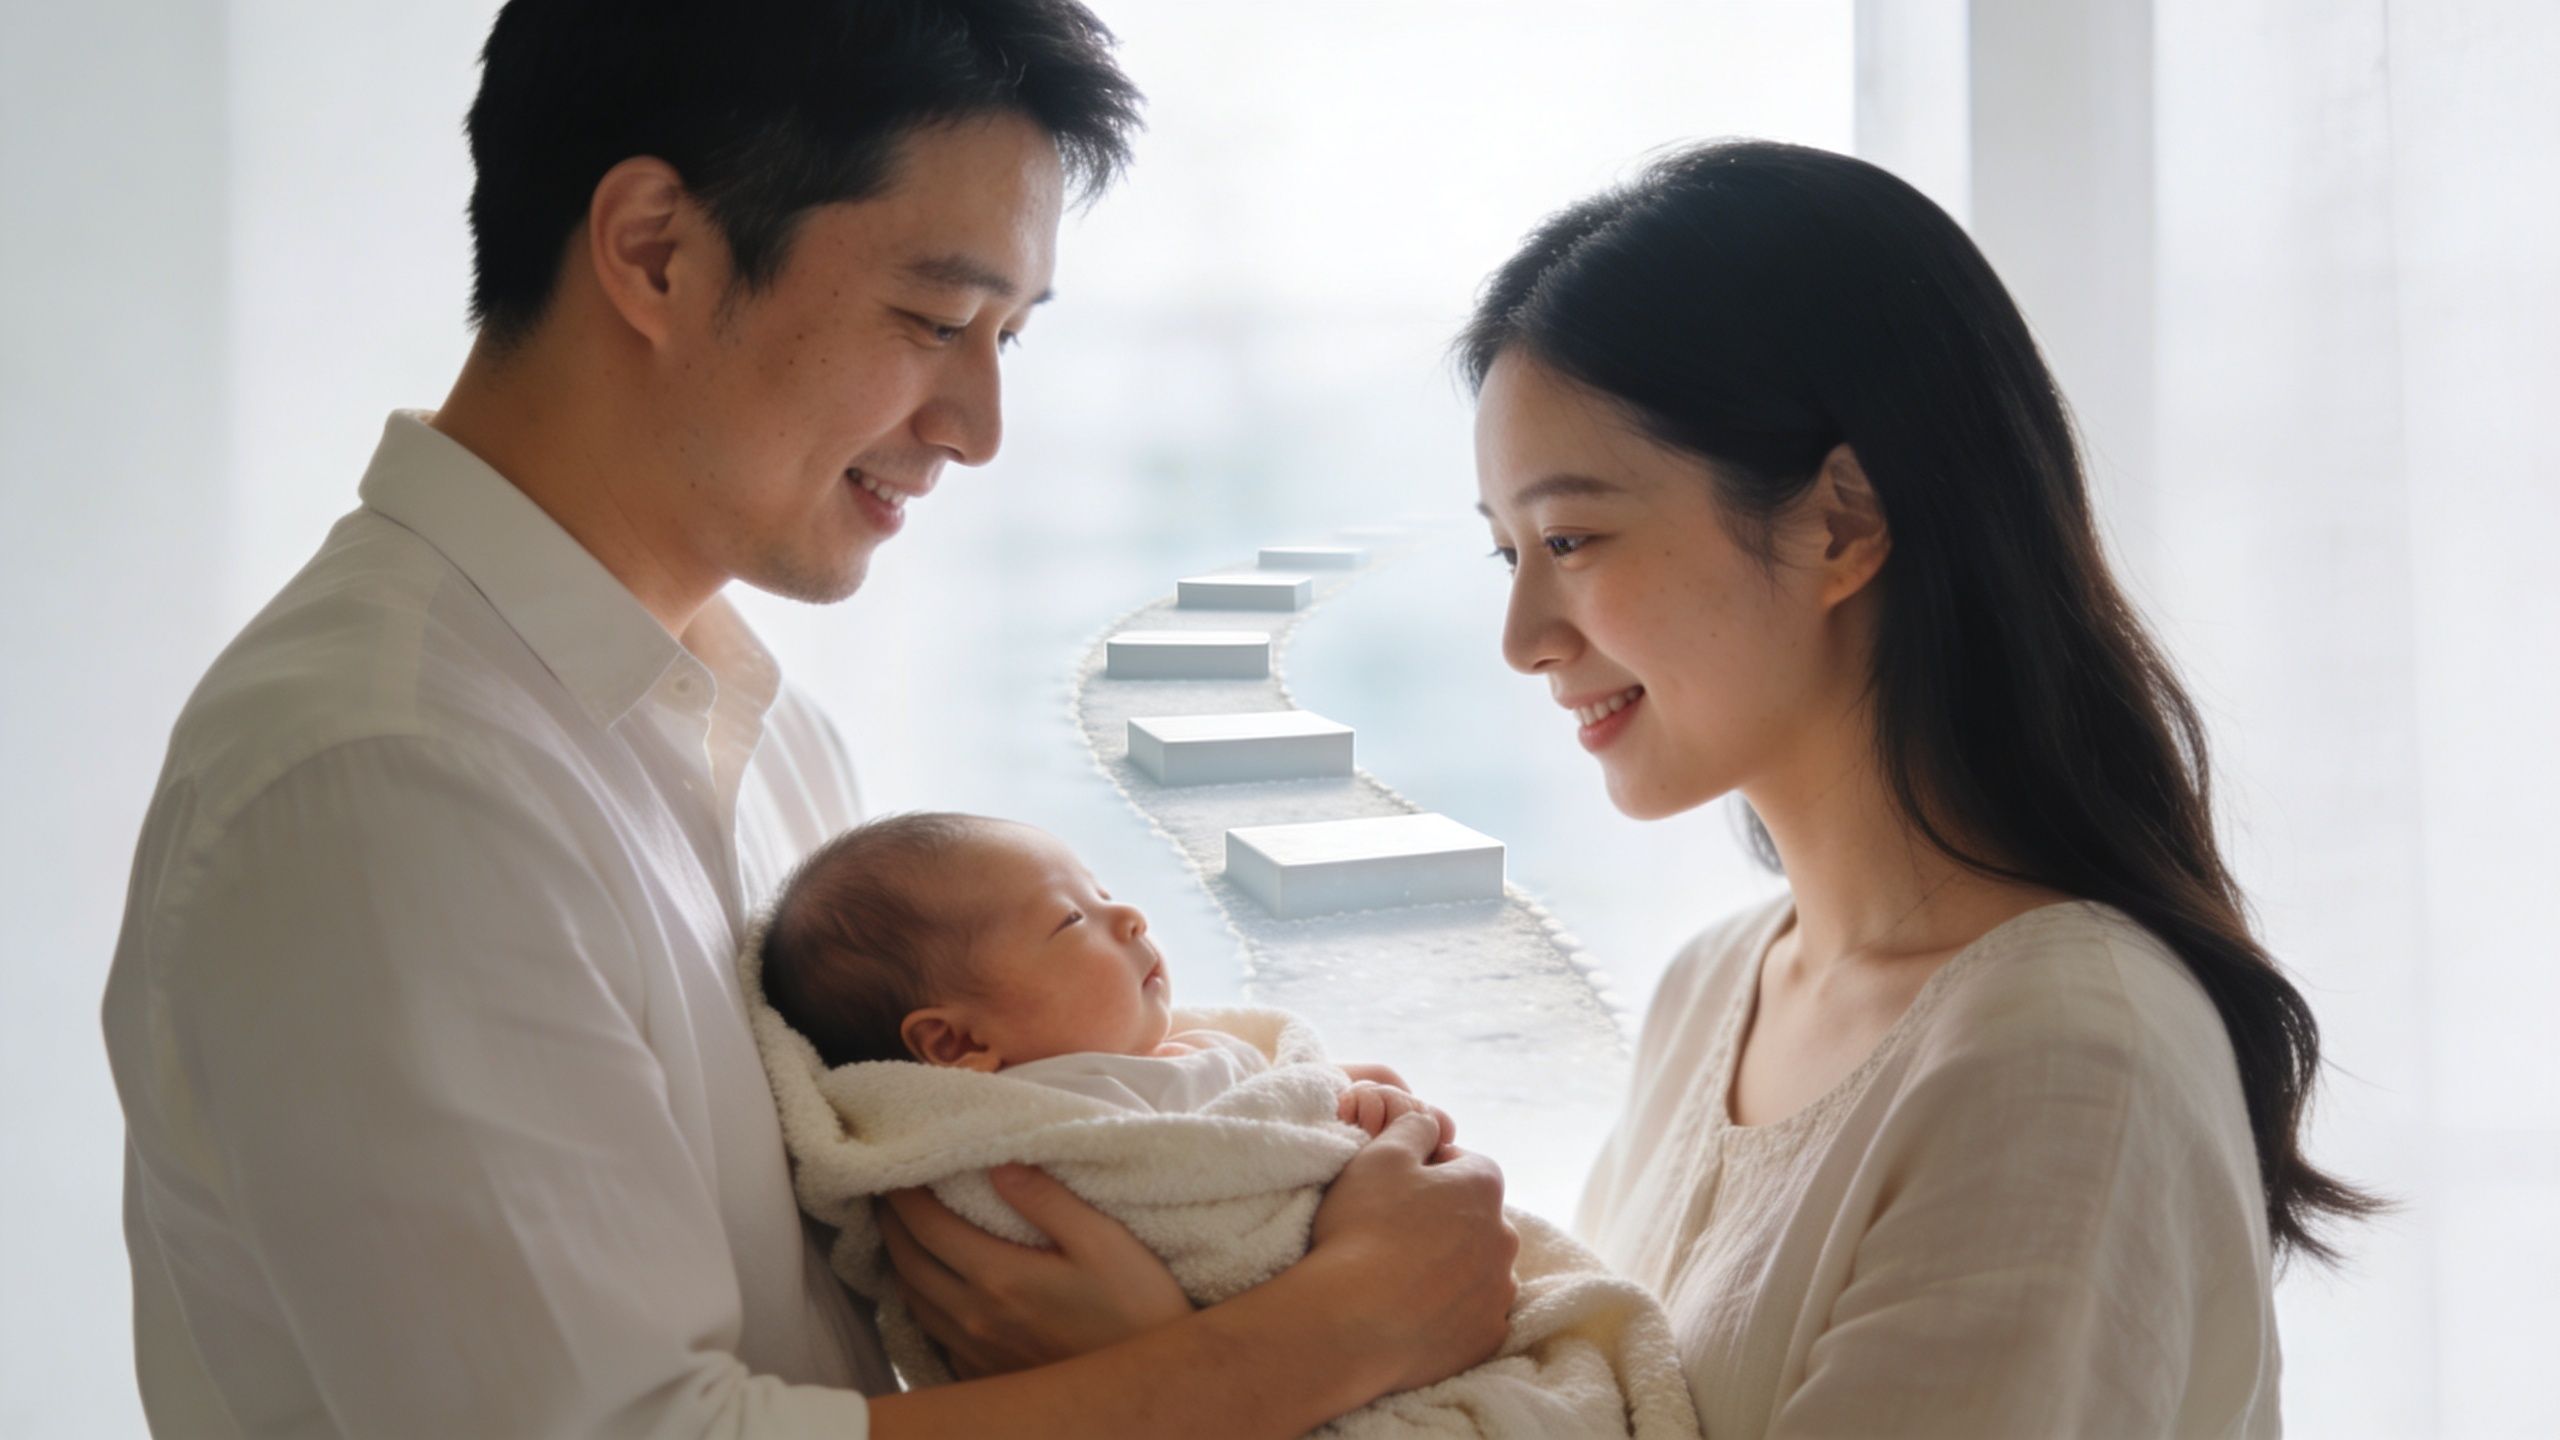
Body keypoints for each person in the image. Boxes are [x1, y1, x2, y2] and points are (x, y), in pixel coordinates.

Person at [97, 2, 1512, 1436]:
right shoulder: (388, 773)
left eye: (1009, 336)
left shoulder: (753, 727)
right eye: (938, 321)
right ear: (655, 250)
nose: (978, 424)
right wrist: (1327, 1337)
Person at [1459, 139, 2380, 1434]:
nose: (1525, 636)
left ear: (1841, 522)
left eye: (1570, 539)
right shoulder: (1715, 987)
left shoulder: (2063, 1057)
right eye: (1507, 552)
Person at [757, 810, 1451, 1135]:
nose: (1130, 917)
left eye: (1102, 890)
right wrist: (1324, 1108)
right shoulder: (1063, 1121)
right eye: (1069, 920)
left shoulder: (1129, 1068)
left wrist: (1334, 1086)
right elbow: (1226, 1170)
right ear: (955, 1045)